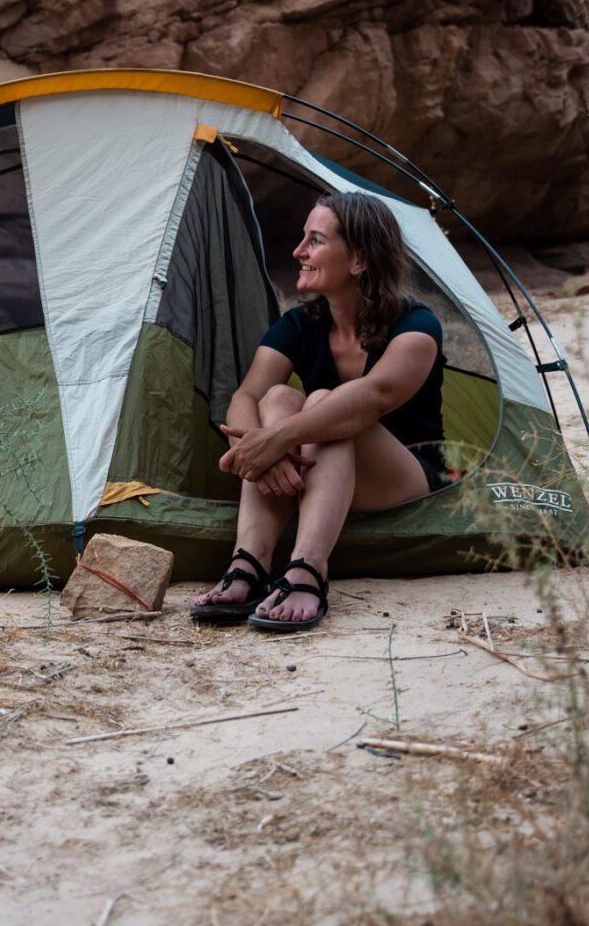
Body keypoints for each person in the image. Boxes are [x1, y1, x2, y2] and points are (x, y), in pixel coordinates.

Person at [191, 191, 447, 631]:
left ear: (359, 260)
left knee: (325, 403)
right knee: (276, 399)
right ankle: (250, 562)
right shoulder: (300, 325)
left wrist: (280, 440)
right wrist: (261, 452)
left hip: (401, 476)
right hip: (312, 466)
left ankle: (309, 569)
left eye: (315, 241)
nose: (298, 252)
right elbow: (245, 397)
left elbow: (376, 396)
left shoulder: (417, 327)